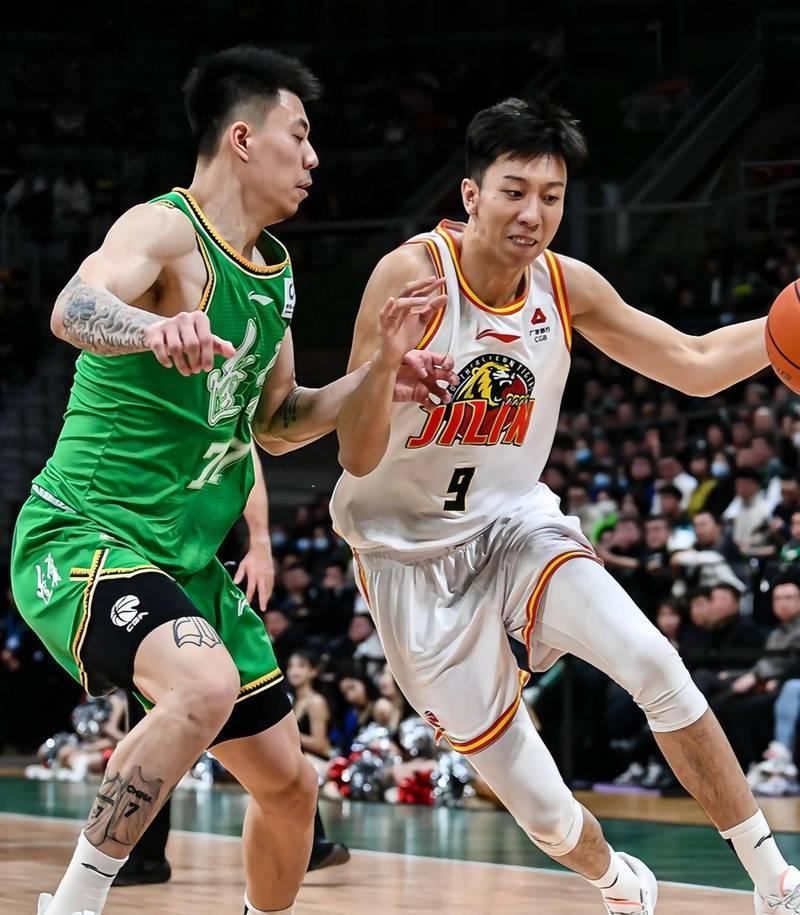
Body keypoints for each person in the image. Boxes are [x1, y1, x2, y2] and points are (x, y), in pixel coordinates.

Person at [331, 95, 800, 914]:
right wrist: (383, 372)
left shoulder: (563, 283)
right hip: (405, 561)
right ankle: (616, 881)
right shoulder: (411, 277)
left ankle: (775, 881)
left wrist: (782, 327)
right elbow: (355, 454)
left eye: (550, 196)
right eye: (514, 192)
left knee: (653, 660)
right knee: (544, 809)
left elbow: (692, 361)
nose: (533, 214)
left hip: (515, 524)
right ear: (472, 194)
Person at [11, 46, 449, 915]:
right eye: (301, 135)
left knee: (292, 787)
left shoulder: (273, 273)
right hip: (88, 534)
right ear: (244, 139)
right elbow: (73, 306)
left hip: (187, 565)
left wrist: (377, 378)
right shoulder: (164, 229)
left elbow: (278, 423)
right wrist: (148, 330)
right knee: (203, 686)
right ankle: (71, 906)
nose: (314, 157)